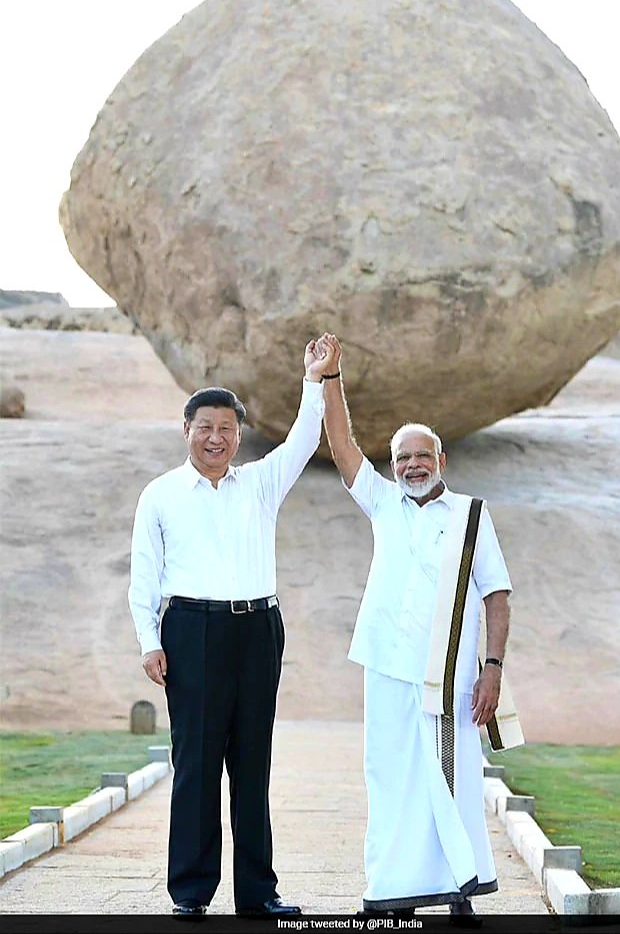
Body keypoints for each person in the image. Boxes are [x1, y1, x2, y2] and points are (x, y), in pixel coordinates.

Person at [127, 338, 335, 920]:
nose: (215, 437)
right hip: (190, 631)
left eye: (226, 428)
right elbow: (144, 574)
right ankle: (190, 893)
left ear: (239, 434)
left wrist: (313, 381)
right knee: (195, 764)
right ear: (186, 430)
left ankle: (258, 893)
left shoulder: (260, 483)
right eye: (204, 427)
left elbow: (303, 441)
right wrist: (150, 641)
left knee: (252, 762)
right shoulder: (161, 494)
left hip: (258, 631)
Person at [318, 333, 514, 926]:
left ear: (442, 461)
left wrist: (493, 670)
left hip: (450, 676)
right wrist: (331, 379)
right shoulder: (382, 503)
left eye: (422, 455)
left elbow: (498, 597)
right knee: (389, 774)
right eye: (402, 457)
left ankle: (458, 885)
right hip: (385, 664)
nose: (412, 465)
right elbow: (343, 443)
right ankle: (391, 889)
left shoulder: (472, 516)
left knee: (451, 777)